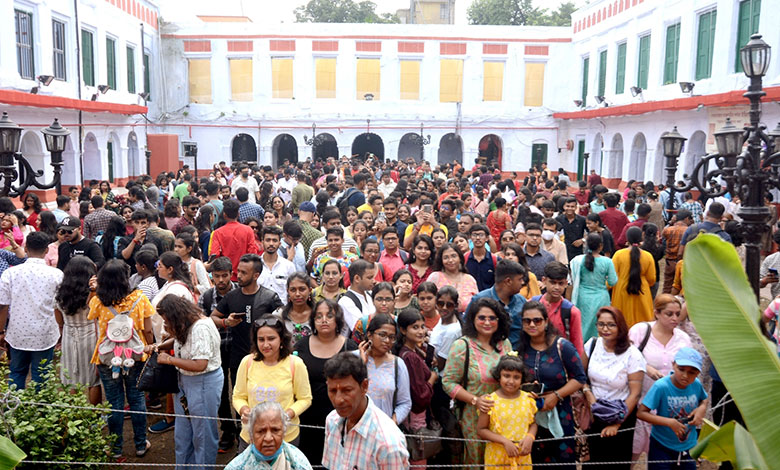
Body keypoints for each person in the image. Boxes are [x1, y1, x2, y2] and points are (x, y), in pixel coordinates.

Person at [88, 259, 155, 459]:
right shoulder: (139, 298)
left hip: (108, 357)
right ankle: (141, 444)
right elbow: (148, 329)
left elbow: (93, 322)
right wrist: (149, 348)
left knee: (114, 401)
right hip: (135, 355)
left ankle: (116, 448)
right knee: (136, 399)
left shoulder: (98, 301)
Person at [151, 295, 223, 468]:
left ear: (177, 316)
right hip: (184, 381)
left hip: (203, 382)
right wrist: (159, 347)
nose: (166, 326)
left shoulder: (201, 328)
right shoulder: (187, 323)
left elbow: (200, 364)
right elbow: (178, 340)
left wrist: (169, 360)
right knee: (183, 434)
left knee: (203, 435)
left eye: (167, 321)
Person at [441, 297, 512, 468]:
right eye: (482, 318)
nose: (487, 322)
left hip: (503, 417)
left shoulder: (505, 345)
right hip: (473, 419)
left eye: (492, 318)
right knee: (477, 462)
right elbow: (448, 382)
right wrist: (475, 400)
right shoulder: (462, 346)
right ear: (473, 320)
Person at [514, 301, 586, 468]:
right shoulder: (521, 349)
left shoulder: (562, 346)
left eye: (537, 320)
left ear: (546, 322)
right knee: (534, 459)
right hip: (531, 415)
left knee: (561, 459)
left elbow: (580, 377)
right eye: (527, 321)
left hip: (561, 413)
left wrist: (556, 395)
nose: (532, 324)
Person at [233, 314, 312, 450]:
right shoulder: (247, 362)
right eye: (261, 339)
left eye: (271, 339)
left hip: (286, 438)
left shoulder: (295, 364)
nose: (266, 344)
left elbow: (305, 399)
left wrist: (287, 415)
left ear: (281, 339)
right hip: (251, 437)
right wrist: (244, 410)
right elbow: (238, 396)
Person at [294, 300, 358, 463]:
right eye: (319, 316)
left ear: (337, 319)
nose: (324, 320)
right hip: (307, 418)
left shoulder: (349, 346)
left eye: (329, 316)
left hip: (340, 416)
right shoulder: (301, 345)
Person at [628, 295, 692, 460]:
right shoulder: (640, 331)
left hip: (668, 410)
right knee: (630, 456)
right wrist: (645, 367)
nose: (675, 318)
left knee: (660, 459)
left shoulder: (683, 339)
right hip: (640, 404)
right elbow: (626, 358)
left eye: (678, 314)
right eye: (669, 314)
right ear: (656, 313)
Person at [321, 352, 409, 469]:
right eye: (332, 391)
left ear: (364, 386)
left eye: (347, 390)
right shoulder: (332, 421)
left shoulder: (388, 444)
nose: (338, 400)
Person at [583, 306, 646, 470]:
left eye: (611, 325)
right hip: (594, 415)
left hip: (621, 416)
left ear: (620, 326)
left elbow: (635, 394)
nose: (605, 329)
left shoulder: (633, 355)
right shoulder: (592, 344)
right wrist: (589, 395)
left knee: (615, 463)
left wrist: (617, 423)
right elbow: (580, 376)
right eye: (601, 324)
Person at [0, 232, 62, 389]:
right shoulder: (56, 274)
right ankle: (40, 412)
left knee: (16, 372)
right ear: (47, 250)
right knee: (41, 374)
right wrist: (61, 329)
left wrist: (0, 332)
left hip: (17, 332)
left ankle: (14, 410)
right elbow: (59, 306)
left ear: (26, 248)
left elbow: (3, 305)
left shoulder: (11, 273)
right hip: (45, 333)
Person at [637, 348, 708, 470]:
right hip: (662, 445)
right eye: (681, 369)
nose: (685, 376)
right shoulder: (661, 386)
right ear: (673, 365)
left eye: (692, 372)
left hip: (689, 445)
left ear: (698, 373)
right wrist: (669, 422)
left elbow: (704, 399)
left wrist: (701, 409)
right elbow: (641, 413)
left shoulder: (696, 384)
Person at [476, 355, 538, 470]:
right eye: (506, 376)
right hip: (497, 458)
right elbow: (481, 430)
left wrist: (530, 437)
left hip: (522, 457)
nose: (511, 381)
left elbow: (533, 423)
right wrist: (505, 442)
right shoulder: (489, 401)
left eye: (516, 377)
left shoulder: (528, 399)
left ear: (522, 379)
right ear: (499, 376)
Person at [54, 256, 101, 404]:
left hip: (69, 334)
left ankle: (73, 413)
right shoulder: (93, 293)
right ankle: (95, 417)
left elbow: (57, 315)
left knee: (70, 377)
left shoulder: (61, 292)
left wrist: (62, 330)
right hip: (91, 335)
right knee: (93, 380)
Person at [394, 308, 437, 469]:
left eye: (422, 326)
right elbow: (419, 397)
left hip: (412, 418)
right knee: (417, 462)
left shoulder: (413, 351)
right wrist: (432, 379)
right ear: (403, 330)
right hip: (414, 420)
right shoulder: (410, 357)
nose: (420, 331)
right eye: (415, 327)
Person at [224, 402, 313, 470]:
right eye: (261, 431)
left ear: (284, 432)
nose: (268, 438)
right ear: (251, 435)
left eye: (275, 430)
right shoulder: (237, 466)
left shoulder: (298, 463)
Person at [571, 232, 618, 342]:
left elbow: (574, 279)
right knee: (601, 324)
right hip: (601, 297)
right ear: (601, 246)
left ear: (586, 245)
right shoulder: (607, 262)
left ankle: (582, 348)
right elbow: (612, 282)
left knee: (584, 324)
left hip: (583, 297)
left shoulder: (578, 260)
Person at [469, 260, 527, 347]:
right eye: (520, 279)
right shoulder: (479, 300)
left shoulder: (521, 301)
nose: (522, 283)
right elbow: (468, 328)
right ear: (508, 281)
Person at [612, 226, 657, 328]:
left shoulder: (618, 255)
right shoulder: (647, 256)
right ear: (641, 238)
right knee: (643, 325)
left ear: (627, 239)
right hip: (642, 290)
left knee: (622, 323)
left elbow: (612, 277)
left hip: (622, 291)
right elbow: (651, 279)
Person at [210, 199, 262, 281]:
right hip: (245, 276)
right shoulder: (248, 230)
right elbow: (252, 252)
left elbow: (215, 254)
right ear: (238, 214)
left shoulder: (217, 233)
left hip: (226, 277)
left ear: (224, 215)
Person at [427, 243, 478, 314]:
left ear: (460, 258)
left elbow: (476, 306)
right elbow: (427, 301)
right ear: (441, 260)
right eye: (446, 257)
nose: (450, 260)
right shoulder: (435, 277)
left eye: (453, 256)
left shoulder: (470, 279)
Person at [256, 226, 297, 304]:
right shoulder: (255, 265)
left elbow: (293, 290)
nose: (271, 244)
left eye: (274, 240)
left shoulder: (288, 266)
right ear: (262, 242)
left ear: (279, 243)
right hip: (260, 311)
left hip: (282, 311)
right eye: (268, 240)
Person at [338, 259, 377, 331]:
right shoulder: (346, 302)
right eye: (369, 278)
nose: (374, 281)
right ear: (357, 278)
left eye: (373, 277)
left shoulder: (370, 294)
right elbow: (361, 328)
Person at [429, 285, 462, 369]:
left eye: (449, 305)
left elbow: (440, 365)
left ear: (456, 305)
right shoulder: (443, 319)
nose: (444, 308)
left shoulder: (452, 331)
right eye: (440, 304)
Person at [279, 273, 314, 345]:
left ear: (310, 290)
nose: (297, 294)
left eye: (302, 289)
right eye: (293, 290)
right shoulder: (279, 315)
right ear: (287, 291)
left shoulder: (318, 314)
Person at [662, 209, 692, 294]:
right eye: (690, 219)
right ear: (686, 219)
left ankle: (664, 303)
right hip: (683, 262)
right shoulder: (689, 231)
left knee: (667, 285)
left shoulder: (668, 230)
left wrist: (671, 223)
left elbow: (662, 239)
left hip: (670, 261)